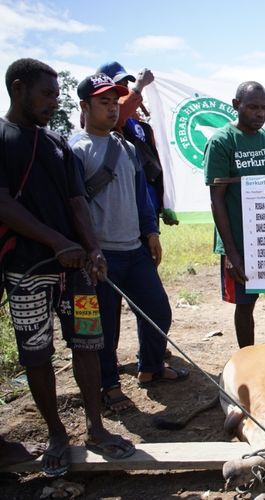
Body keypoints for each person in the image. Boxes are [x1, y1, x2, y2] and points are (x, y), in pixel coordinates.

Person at [0, 58, 134, 476]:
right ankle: (57, 433)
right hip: (27, 269)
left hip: (75, 269)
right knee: (36, 353)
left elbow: (77, 202)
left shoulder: (57, 143)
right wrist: (57, 242)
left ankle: (96, 427)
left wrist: (92, 249)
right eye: (47, 93)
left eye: (58, 94)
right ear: (18, 89)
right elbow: (3, 204)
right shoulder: (2, 139)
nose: (54, 101)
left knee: (89, 344)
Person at [70, 73, 187, 413]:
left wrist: (150, 232)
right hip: (101, 256)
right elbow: (73, 206)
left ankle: (150, 367)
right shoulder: (75, 151)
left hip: (134, 251)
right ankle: (108, 385)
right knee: (103, 327)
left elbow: (141, 196)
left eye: (113, 102)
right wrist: (89, 251)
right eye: (103, 102)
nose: (110, 109)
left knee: (158, 311)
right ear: (85, 107)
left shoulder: (127, 147)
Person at [204, 81, 265, 347]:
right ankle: (248, 359)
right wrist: (232, 254)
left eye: (264, 108)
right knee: (246, 304)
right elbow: (217, 199)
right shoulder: (222, 141)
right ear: (236, 105)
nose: (260, 113)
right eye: (253, 107)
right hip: (240, 242)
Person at [96, 61, 178, 226]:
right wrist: (139, 85)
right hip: (123, 203)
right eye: (118, 84)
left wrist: (165, 203)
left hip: (149, 205)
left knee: (151, 251)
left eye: (126, 83)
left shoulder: (141, 124)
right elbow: (118, 114)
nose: (125, 87)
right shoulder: (106, 120)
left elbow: (155, 164)